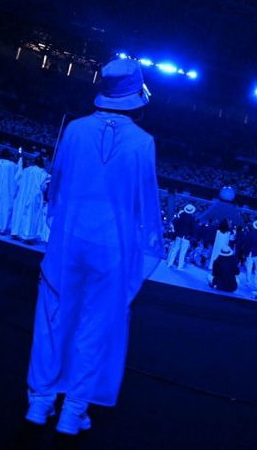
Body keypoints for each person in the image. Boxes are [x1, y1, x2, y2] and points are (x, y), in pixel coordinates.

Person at [25, 57, 163, 435]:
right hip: (112, 246)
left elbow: (57, 186)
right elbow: (142, 203)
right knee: (96, 323)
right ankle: (74, 409)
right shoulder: (143, 143)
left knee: (53, 317)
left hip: (71, 238)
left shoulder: (74, 130)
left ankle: (39, 403)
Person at [10, 157, 50, 244]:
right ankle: (26, 236)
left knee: (20, 213)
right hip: (34, 196)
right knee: (30, 215)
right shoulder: (42, 173)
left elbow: (18, 181)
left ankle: (15, 232)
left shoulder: (26, 170)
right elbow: (43, 187)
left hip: (22, 195)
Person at [166, 204, 196, 269]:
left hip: (178, 235)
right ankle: (180, 266)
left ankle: (170, 263)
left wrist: (175, 231)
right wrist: (191, 236)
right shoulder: (192, 218)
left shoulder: (180, 215)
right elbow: (193, 229)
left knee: (175, 250)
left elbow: (173, 223)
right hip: (186, 237)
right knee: (183, 252)